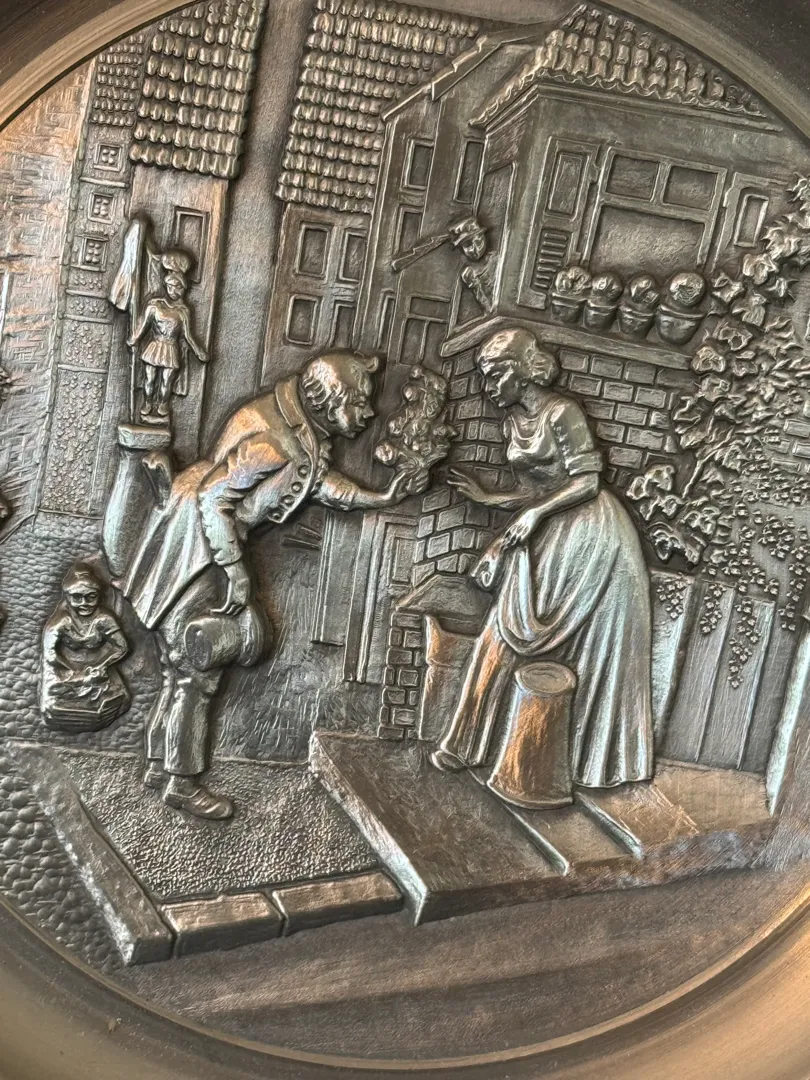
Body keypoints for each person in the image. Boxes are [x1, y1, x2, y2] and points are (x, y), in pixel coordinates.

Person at [109, 351, 421, 820]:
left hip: (201, 543)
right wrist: (236, 574)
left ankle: (159, 765)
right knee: (197, 670)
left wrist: (380, 496)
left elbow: (318, 483)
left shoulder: (300, 431)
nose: (369, 412)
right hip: (202, 550)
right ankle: (182, 781)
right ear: (327, 402)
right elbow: (214, 500)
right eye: (358, 402)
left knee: (179, 667)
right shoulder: (274, 441)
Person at [433, 327, 653, 790]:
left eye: (495, 375)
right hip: (548, 527)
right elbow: (535, 491)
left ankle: (579, 763)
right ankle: (464, 745)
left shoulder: (563, 412)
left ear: (522, 372)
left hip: (594, 536)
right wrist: (489, 498)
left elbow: (587, 482)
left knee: (590, 649)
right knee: (499, 633)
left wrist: (534, 515)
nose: (488, 387)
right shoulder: (512, 422)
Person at [40, 563, 130, 732]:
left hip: (99, 668)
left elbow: (122, 647)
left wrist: (102, 666)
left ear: (98, 596)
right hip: (66, 669)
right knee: (56, 697)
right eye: (77, 597)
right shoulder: (60, 622)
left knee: (115, 698)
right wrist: (76, 675)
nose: (84, 603)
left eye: (91, 597)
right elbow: (50, 655)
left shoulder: (104, 619)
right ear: (68, 597)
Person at [127, 251, 207, 422]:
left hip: (170, 348)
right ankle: (147, 404)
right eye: (171, 286)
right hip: (155, 345)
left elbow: (188, 335)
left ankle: (162, 406)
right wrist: (134, 339)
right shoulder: (154, 306)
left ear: (184, 289)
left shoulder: (183, 311)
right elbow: (143, 327)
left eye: (179, 288)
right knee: (149, 379)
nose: (175, 291)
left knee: (166, 382)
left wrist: (198, 351)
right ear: (166, 286)